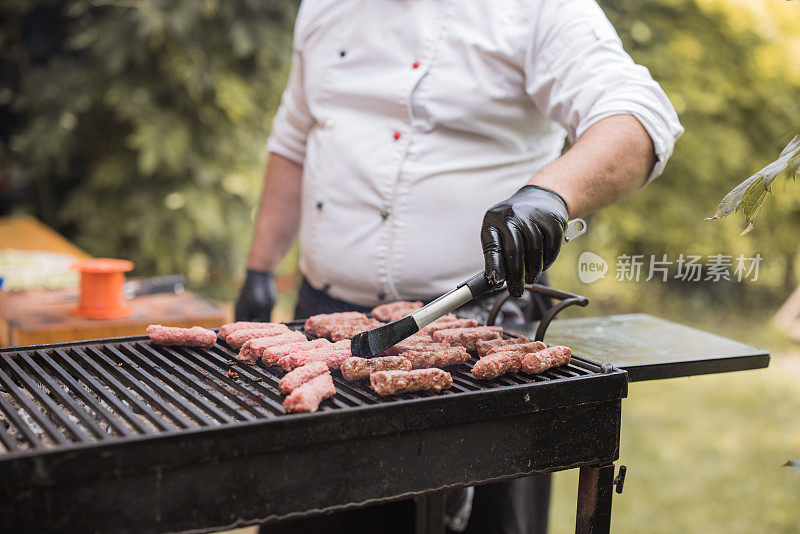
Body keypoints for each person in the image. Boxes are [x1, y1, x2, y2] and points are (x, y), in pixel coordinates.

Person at [235, 1, 682, 532]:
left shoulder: (538, 9)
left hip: (480, 334)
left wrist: (550, 195)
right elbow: (294, 142)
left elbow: (639, 116)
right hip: (326, 328)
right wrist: (261, 269)